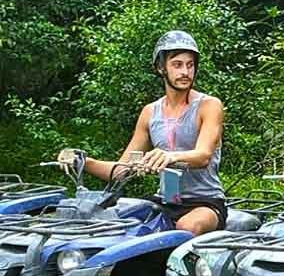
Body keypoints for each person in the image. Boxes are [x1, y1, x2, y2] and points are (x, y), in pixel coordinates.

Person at [63, 30, 228, 234]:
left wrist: (168, 156)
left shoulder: (209, 105)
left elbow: (203, 156)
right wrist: (82, 161)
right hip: (166, 200)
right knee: (112, 222)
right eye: (177, 64)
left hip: (204, 202)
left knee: (186, 227)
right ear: (161, 68)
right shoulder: (151, 112)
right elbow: (122, 171)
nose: (185, 72)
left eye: (190, 64)